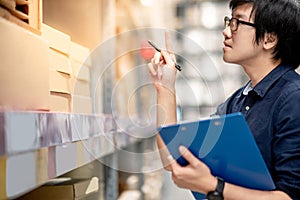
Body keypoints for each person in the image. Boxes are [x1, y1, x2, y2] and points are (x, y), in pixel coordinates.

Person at [148, 0, 300, 199]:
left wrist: (215, 187)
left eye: (237, 23)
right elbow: (173, 160)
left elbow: (290, 196)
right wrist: (164, 87)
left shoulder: (293, 98)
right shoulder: (238, 101)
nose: (226, 31)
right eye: (229, 21)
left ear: (270, 39)